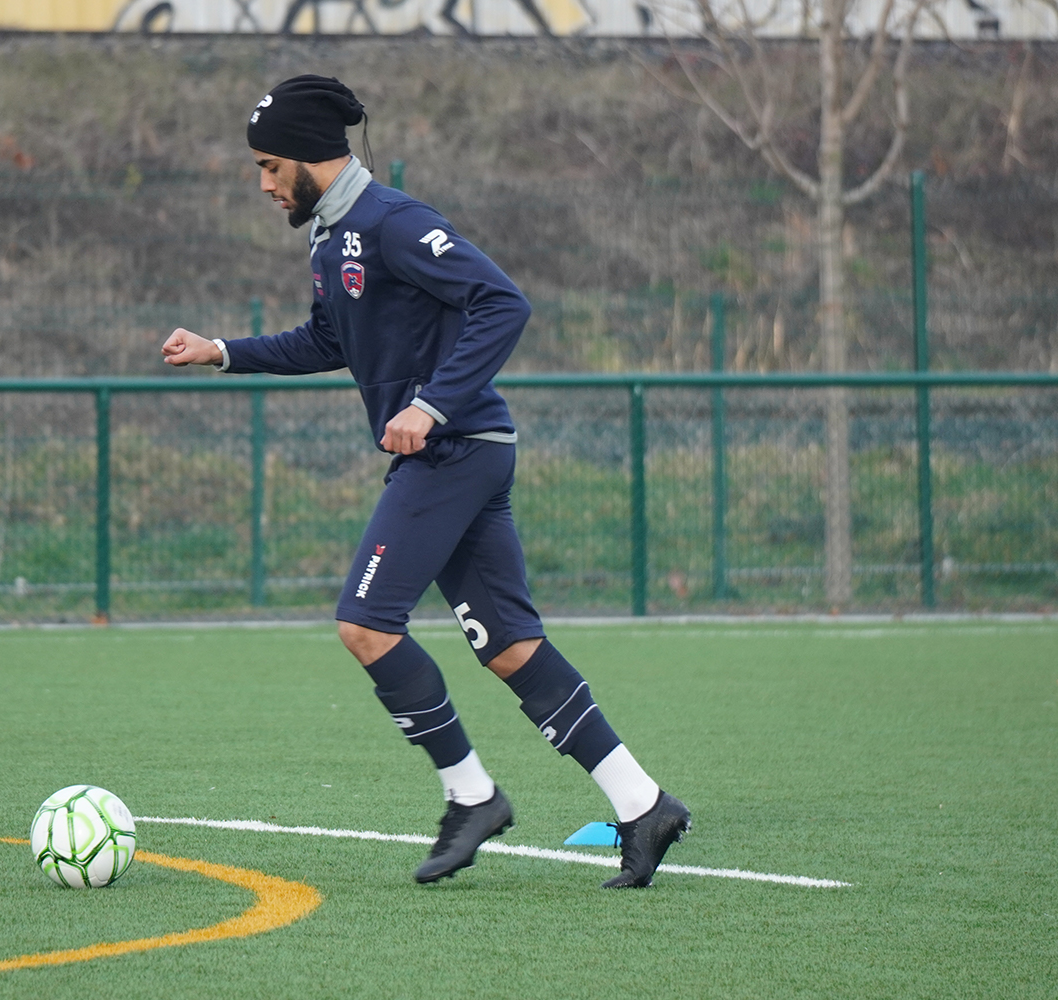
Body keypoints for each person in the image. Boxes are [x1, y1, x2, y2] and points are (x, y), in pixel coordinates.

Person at [161, 75, 689, 888]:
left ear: (309, 157)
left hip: (455, 451)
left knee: (366, 624)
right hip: (457, 453)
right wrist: (221, 349)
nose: (263, 184)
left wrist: (433, 406)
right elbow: (324, 340)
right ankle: (642, 803)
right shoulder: (332, 238)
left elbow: (502, 303)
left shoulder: (393, 221)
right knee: (511, 648)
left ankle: (472, 797)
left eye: (270, 167)